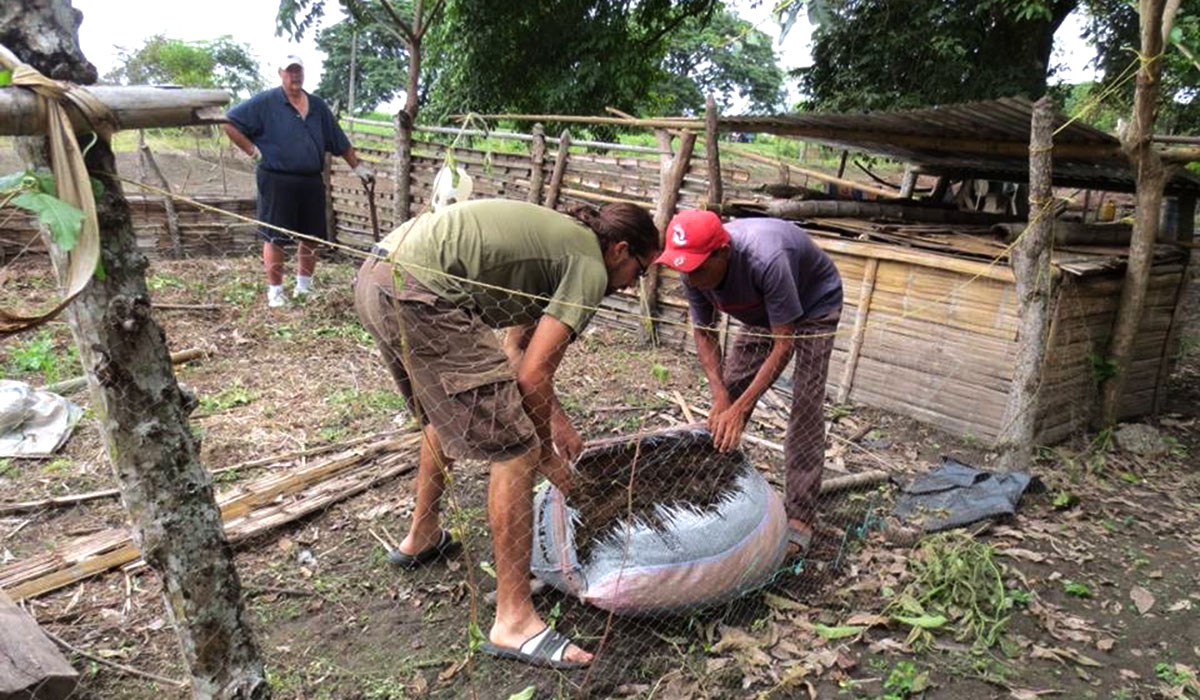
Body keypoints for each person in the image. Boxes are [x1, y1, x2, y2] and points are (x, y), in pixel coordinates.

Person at [354, 198, 660, 668]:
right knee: (515, 449)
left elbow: (518, 348)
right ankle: (514, 620)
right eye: (638, 272)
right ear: (620, 250)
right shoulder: (590, 268)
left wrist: (558, 423)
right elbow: (533, 377)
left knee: (447, 414)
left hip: (379, 277)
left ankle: (423, 536)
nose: (631, 286)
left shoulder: (557, 240)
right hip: (420, 293)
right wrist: (546, 455)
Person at [654, 209, 843, 555]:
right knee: (729, 395)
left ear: (723, 252)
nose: (690, 278)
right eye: (684, 268)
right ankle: (712, 487)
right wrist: (722, 397)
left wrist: (740, 409)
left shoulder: (767, 258)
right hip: (759, 313)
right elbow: (704, 331)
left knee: (805, 404)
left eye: (698, 269)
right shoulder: (691, 267)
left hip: (815, 306)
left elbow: (783, 344)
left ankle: (800, 514)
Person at [223, 53, 373, 308]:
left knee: (312, 236)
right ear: (281, 73)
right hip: (276, 178)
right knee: (276, 236)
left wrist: (358, 167)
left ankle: (304, 288)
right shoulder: (266, 102)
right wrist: (252, 150)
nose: (295, 76)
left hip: (311, 180)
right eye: (290, 71)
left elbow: (339, 140)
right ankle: (276, 292)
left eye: (299, 71)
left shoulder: (317, 106)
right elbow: (228, 122)